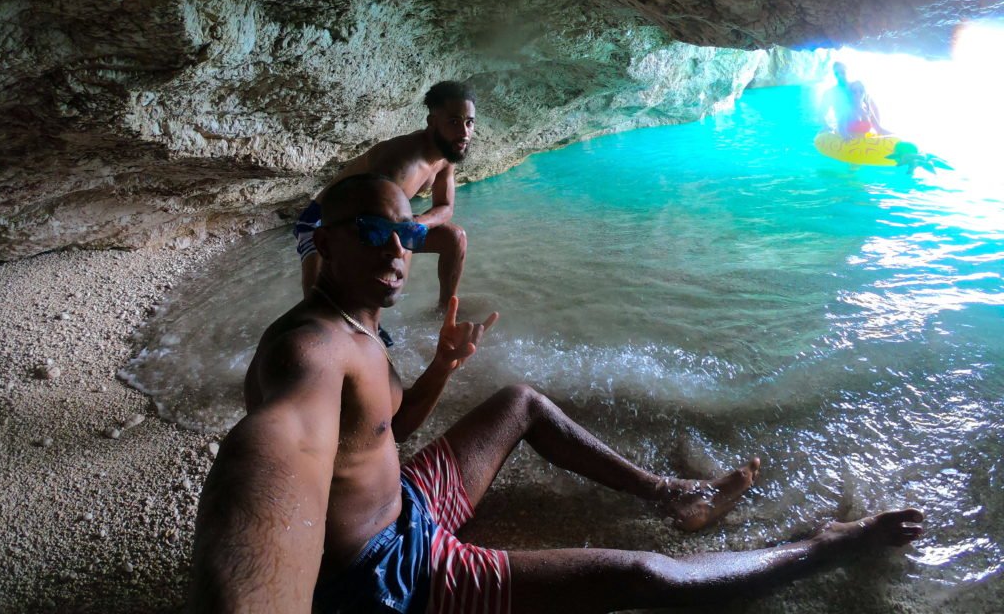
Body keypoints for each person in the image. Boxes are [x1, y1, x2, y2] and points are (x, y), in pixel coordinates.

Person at [191, 174, 925, 614]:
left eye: (406, 235)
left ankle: (673, 495)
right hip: (391, 579)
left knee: (519, 401)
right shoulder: (310, 347)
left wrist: (444, 367)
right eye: (371, 232)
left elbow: (388, 428)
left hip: (404, 504)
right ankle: (826, 546)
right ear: (325, 244)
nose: (395, 251)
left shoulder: (357, 324)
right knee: (642, 575)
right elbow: (272, 456)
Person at [295, 80, 476, 308]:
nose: (464, 132)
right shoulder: (401, 162)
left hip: (382, 222)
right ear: (432, 122)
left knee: (455, 238)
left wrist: (418, 224)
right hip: (325, 221)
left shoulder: (446, 156)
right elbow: (370, 222)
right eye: (454, 122)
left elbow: (445, 207)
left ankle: (446, 310)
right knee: (320, 304)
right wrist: (405, 233)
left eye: (469, 122)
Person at [824, 62, 891, 138]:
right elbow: (841, 129)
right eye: (836, 74)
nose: (839, 76)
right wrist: (826, 126)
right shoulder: (846, 109)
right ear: (850, 94)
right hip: (847, 138)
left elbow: (879, 128)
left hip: (864, 139)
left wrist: (896, 136)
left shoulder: (867, 110)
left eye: (861, 91)